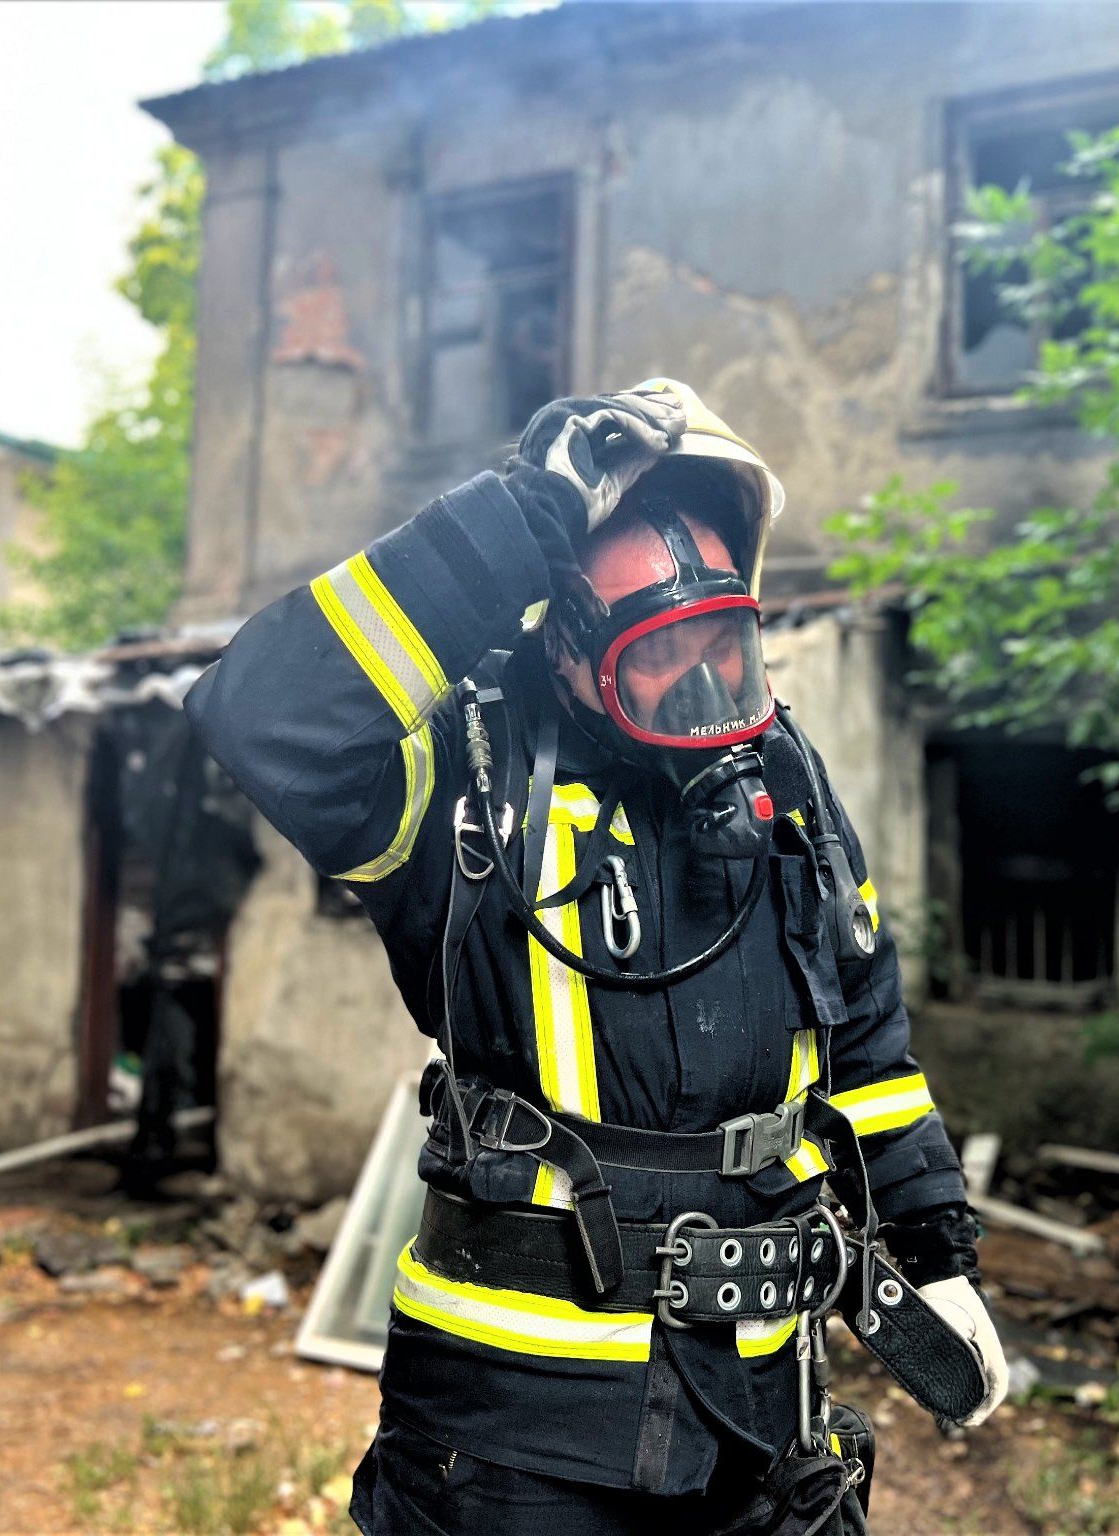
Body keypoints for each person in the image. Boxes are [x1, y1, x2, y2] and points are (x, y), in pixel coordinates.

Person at [184, 381, 1008, 1535]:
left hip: (764, 1428)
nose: (707, 681)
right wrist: (520, 519)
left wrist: (935, 1252)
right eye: (660, 648)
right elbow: (259, 710)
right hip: (514, 1447)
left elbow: (865, 1049)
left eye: (724, 638)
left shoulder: (784, 784)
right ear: (565, 639)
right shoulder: (464, 777)